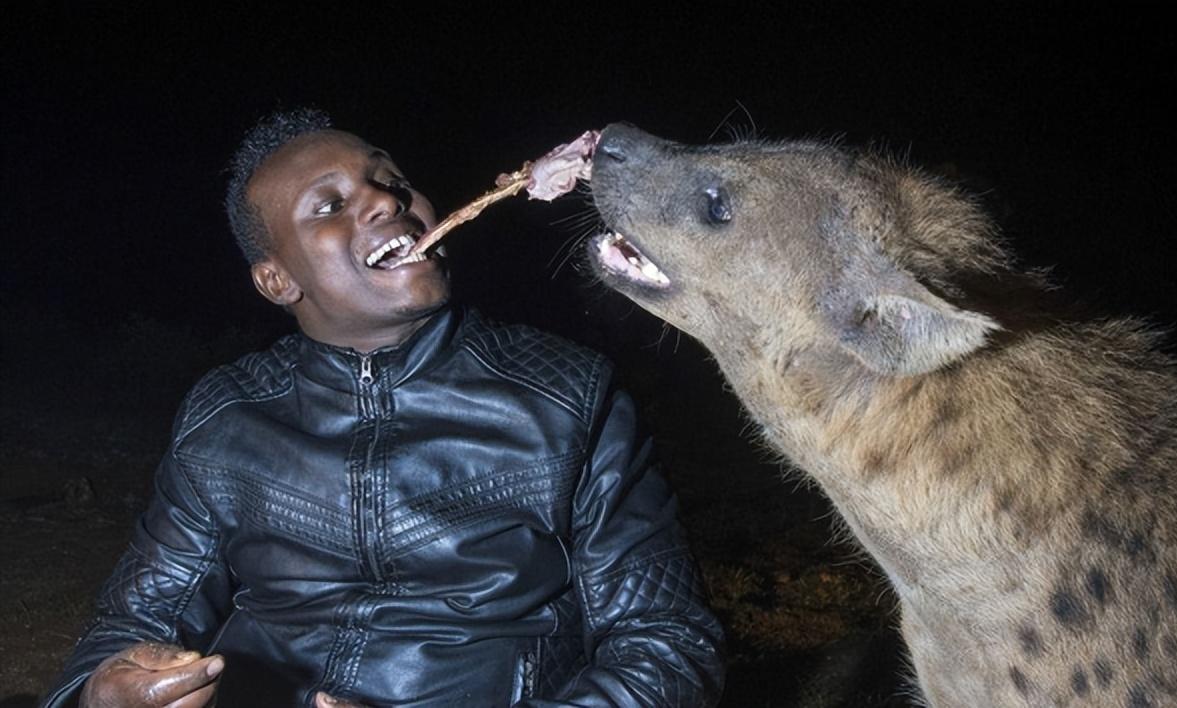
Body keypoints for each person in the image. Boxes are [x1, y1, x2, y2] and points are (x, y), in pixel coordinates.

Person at [41, 109, 726, 707]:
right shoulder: (227, 416)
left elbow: (666, 646)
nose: (383, 202)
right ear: (277, 280)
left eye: (390, 181)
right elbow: (134, 621)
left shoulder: (567, 396)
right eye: (329, 205)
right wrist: (100, 692)